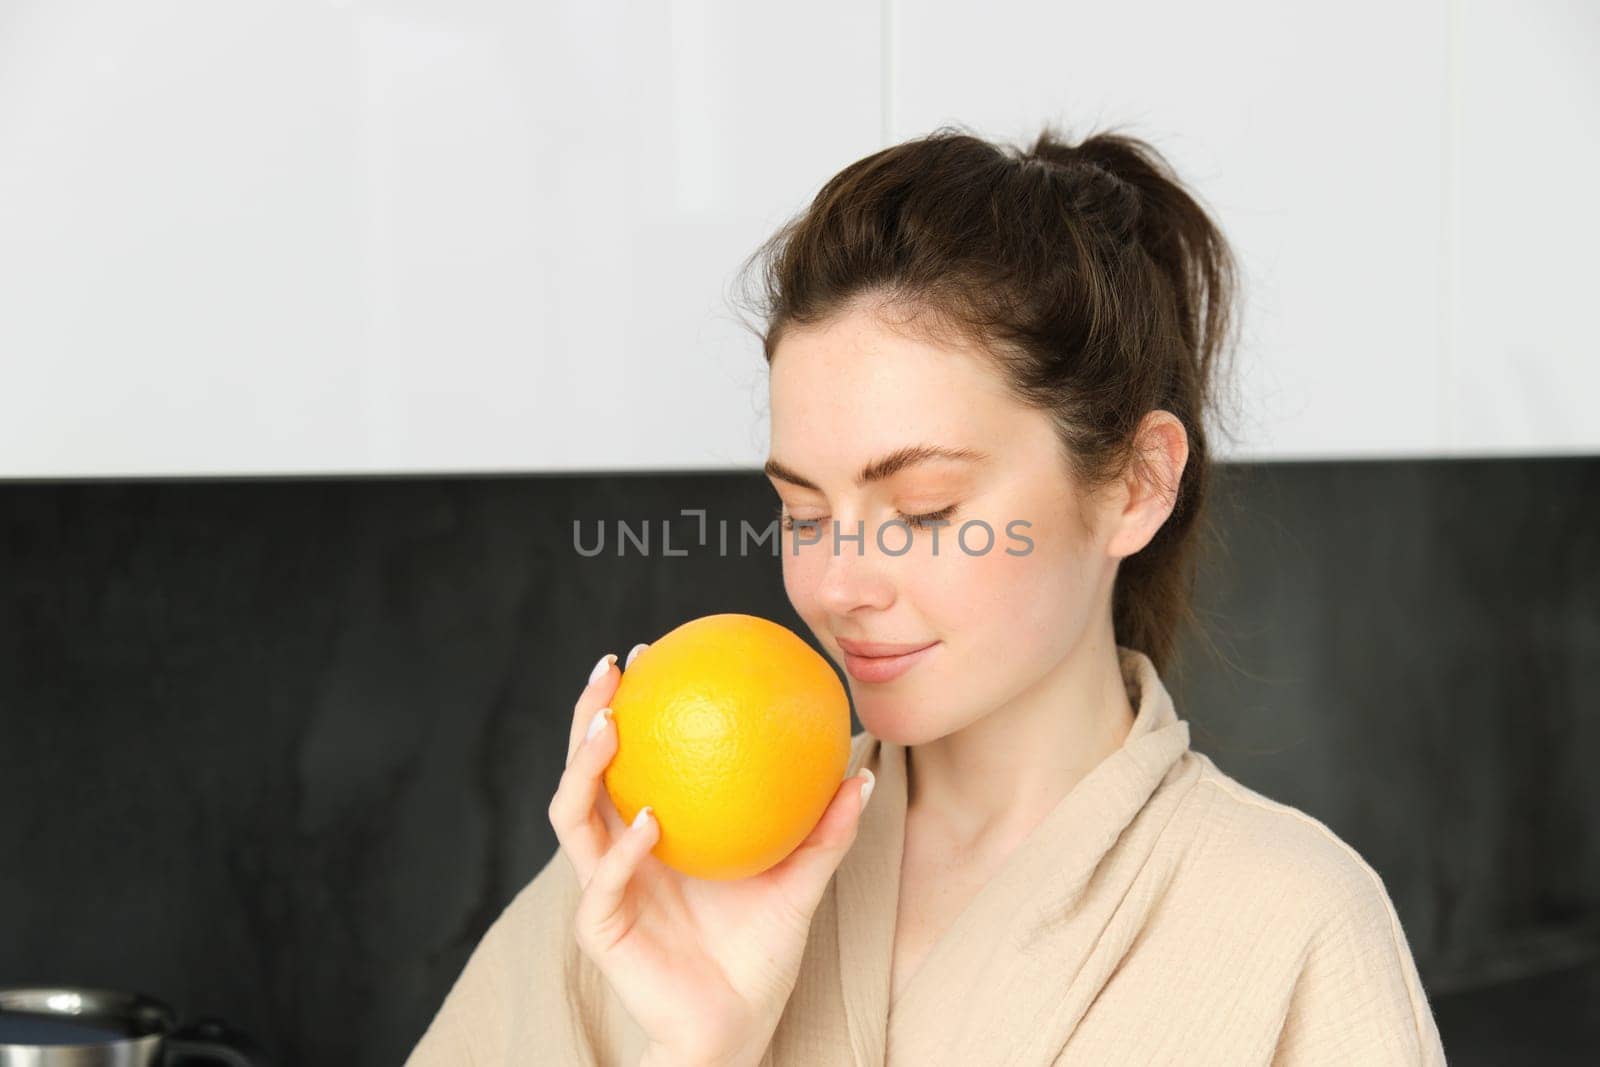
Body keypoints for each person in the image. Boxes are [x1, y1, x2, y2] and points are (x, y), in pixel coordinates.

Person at [405, 124, 1449, 1066]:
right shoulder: (658, 877)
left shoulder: (1291, 929)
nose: (834, 583)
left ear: (1136, 483)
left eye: (924, 506)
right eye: (803, 513)